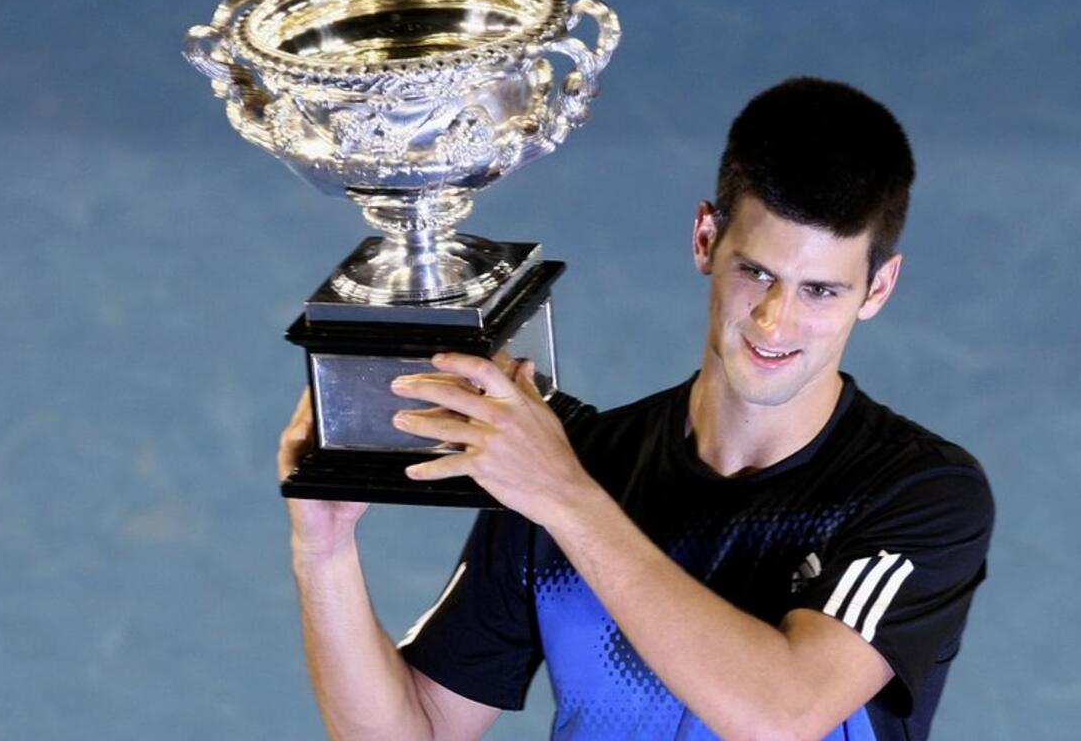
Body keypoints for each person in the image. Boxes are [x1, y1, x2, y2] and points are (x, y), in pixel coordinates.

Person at [277, 76, 994, 741]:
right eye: (756, 272)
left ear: (877, 288)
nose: (775, 321)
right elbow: (417, 730)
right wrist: (323, 550)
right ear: (706, 239)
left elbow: (785, 713)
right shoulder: (564, 461)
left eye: (820, 291)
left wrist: (564, 497)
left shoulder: (920, 493)